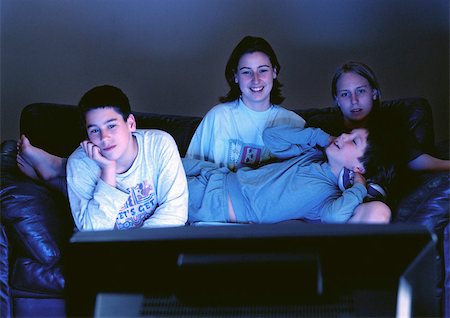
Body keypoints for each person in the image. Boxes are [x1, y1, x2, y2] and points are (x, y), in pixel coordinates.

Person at [18, 85, 188, 231]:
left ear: (130, 124)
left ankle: (55, 172)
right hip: (111, 253)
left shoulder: (160, 144)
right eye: (94, 130)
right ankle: (57, 173)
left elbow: (175, 210)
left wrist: (138, 246)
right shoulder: (81, 162)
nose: (104, 138)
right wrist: (108, 170)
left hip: (146, 247)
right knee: (79, 168)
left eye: (111, 126)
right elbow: (91, 232)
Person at [184, 125, 392, 224]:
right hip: (214, 174)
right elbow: (271, 137)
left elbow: (333, 216)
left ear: (360, 168)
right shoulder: (312, 154)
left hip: (214, 201)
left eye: (354, 141)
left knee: (152, 183)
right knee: (156, 153)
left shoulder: (330, 197)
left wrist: (359, 187)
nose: (344, 135)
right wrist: (322, 136)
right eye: (349, 132)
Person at [185, 35, 305, 171]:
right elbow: (190, 173)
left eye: (263, 70)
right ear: (235, 76)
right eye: (246, 72)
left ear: (274, 72)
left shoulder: (294, 124)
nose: (256, 79)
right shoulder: (218, 117)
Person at [310, 61, 449, 173]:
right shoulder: (321, 126)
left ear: (374, 93)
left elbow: (415, 159)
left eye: (361, 91)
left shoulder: (389, 126)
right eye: (345, 94)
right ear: (337, 100)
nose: (354, 100)